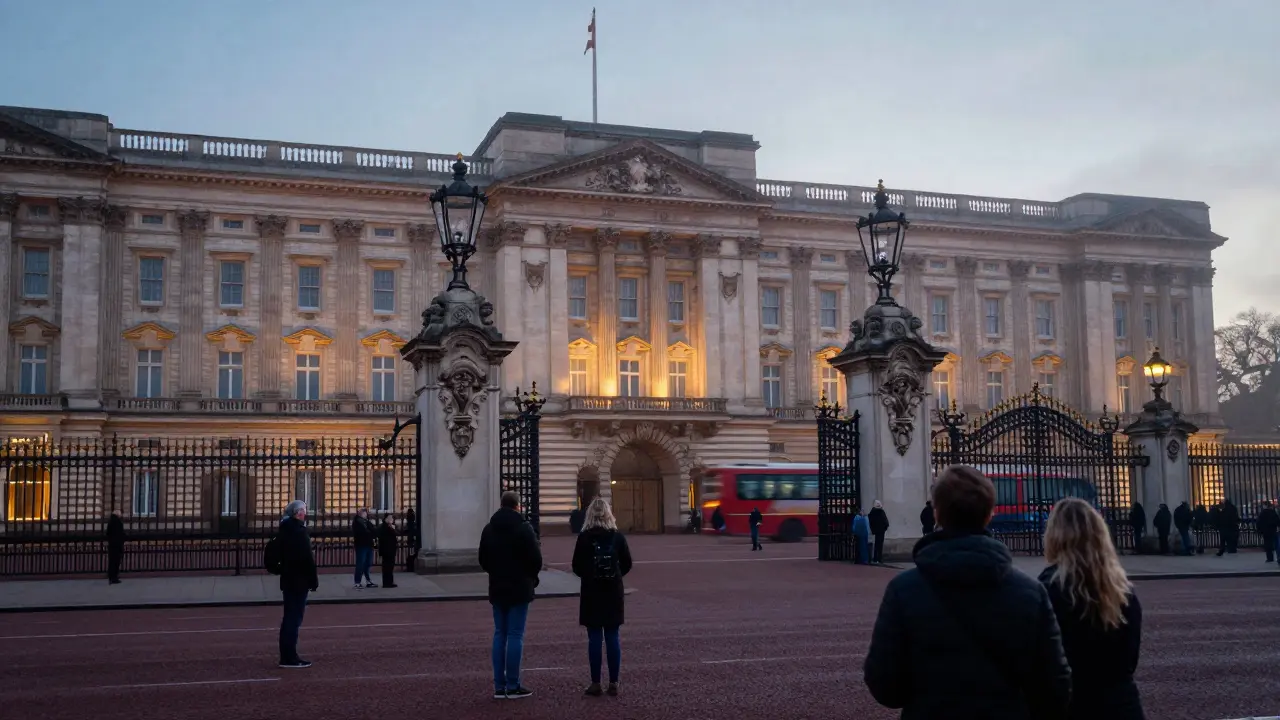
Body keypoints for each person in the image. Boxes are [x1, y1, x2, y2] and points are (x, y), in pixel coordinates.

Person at [863, 465, 1071, 719]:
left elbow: (885, 685)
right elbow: (1054, 688)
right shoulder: (1031, 592)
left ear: (937, 513)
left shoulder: (903, 590)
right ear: (989, 515)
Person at [1040, 497, 1145, 719]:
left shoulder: (1048, 590)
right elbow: (1129, 660)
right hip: (1121, 705)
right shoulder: (1123, 591)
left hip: (1072, 705)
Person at [478, 490, 543, 700]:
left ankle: (499, 686)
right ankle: (513, 685)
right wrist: (530, 576)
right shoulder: (524, 528)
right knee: (515, 635)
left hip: (497, 585)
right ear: (517, 506)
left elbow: (483, 559)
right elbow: (536, 560)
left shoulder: (489, 529)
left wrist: (496, 572)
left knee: (500, 634)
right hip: (520, 586)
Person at [571, 497, 634, 697]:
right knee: (613, 636)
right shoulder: (617, 537)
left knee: (595, 638)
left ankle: (596, 682)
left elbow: (576, 566)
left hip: (592, 590)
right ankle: (614, 682)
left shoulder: (584, 537)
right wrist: (615, 576)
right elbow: (627, 563)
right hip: (613, 590)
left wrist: (590, 576)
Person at [278, 500, 318, 669]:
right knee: (294, 619)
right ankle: (289, 657)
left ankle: (286, 654)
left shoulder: (285, 529)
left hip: (288, 578)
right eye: (303, 511)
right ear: (298, 513)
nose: (305, 513)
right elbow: (307, 560)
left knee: (289, 618)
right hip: (299, 580)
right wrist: (313, 580)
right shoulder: (299, 532)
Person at [351, 508, 377, 588]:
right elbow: (361, 533)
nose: (366, 514)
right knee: (360, 563)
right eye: (364, 513)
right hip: (361, 545)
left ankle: (368, 580)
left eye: (366, 513)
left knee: (368, 563)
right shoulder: (357, 522)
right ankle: (357, 582)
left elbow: (373, 530)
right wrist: (369, 533)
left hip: (369, 544)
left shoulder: (367, 522)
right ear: (360, 514)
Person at [377, 514, 399, 588]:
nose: (392, 519)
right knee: (387, 567)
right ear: (386, 519)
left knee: (390, 567)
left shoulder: (390, 526)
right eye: (390, 518)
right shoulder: (383, 526)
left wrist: (393, 528)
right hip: (386, 550)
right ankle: (386, 583)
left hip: (390, 549)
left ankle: (390, 581)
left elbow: (396, 533)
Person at [106, 510, 126, 585]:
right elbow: (120, 533)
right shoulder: (117, 522)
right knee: (116, 561)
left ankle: (111, 577)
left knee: (112, 561)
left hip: (112, 544)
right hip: (117, 544)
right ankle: (114, 577)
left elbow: (108, 533)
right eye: (120, 513)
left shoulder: (110, 522)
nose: (121, 515)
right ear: (117, 514)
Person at [403, 507, 420, 572]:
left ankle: (411, 566)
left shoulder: (411, 518)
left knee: (411, 547)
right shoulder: (412, 517)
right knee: (411, 547)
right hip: (412, 532)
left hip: (411, 533)